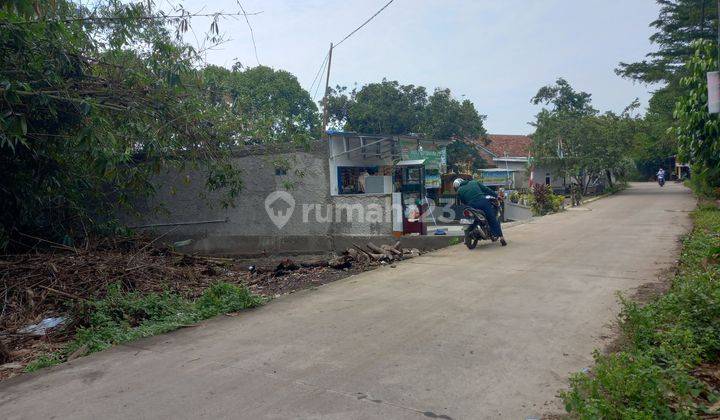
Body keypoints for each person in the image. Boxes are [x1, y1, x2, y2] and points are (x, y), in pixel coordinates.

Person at [453, 178, 507, 246]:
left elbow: (463, 202)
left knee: (469, 218)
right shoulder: (474, 182)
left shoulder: (459, 191)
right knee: (492, 219)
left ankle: (467, 236)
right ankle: (501, 238)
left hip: (471, 206)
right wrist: (497, 196)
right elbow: (486, 190)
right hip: (482, 202)